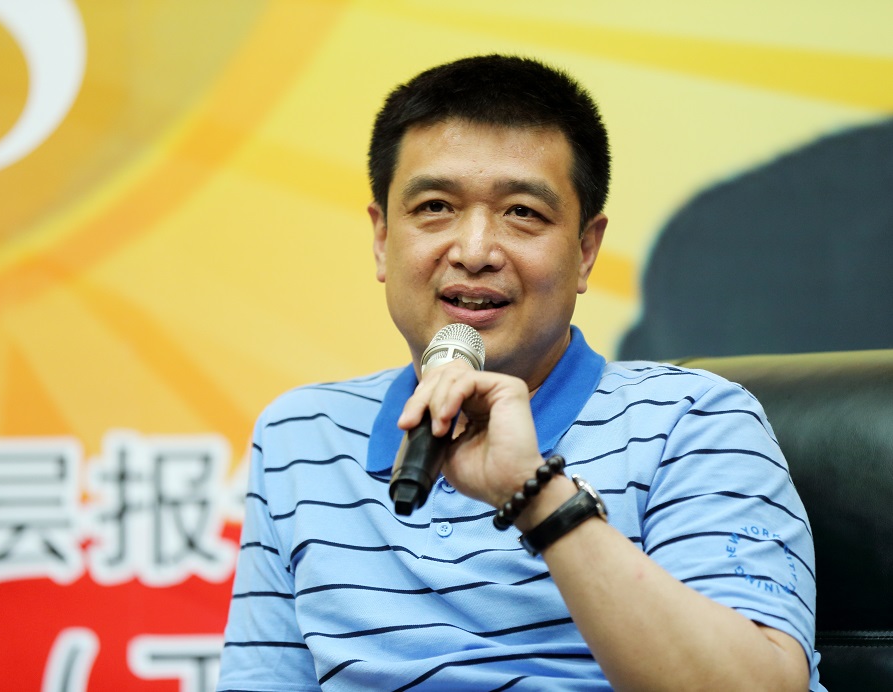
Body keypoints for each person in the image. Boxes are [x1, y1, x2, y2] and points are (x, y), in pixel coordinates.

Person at [217, 55, 822, 691]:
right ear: (382, 239)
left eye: (523, 213)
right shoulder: (300, 434)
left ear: (585, 250)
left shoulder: (693, 420)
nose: (475, 251)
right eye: (435, 206)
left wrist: (535, 495)